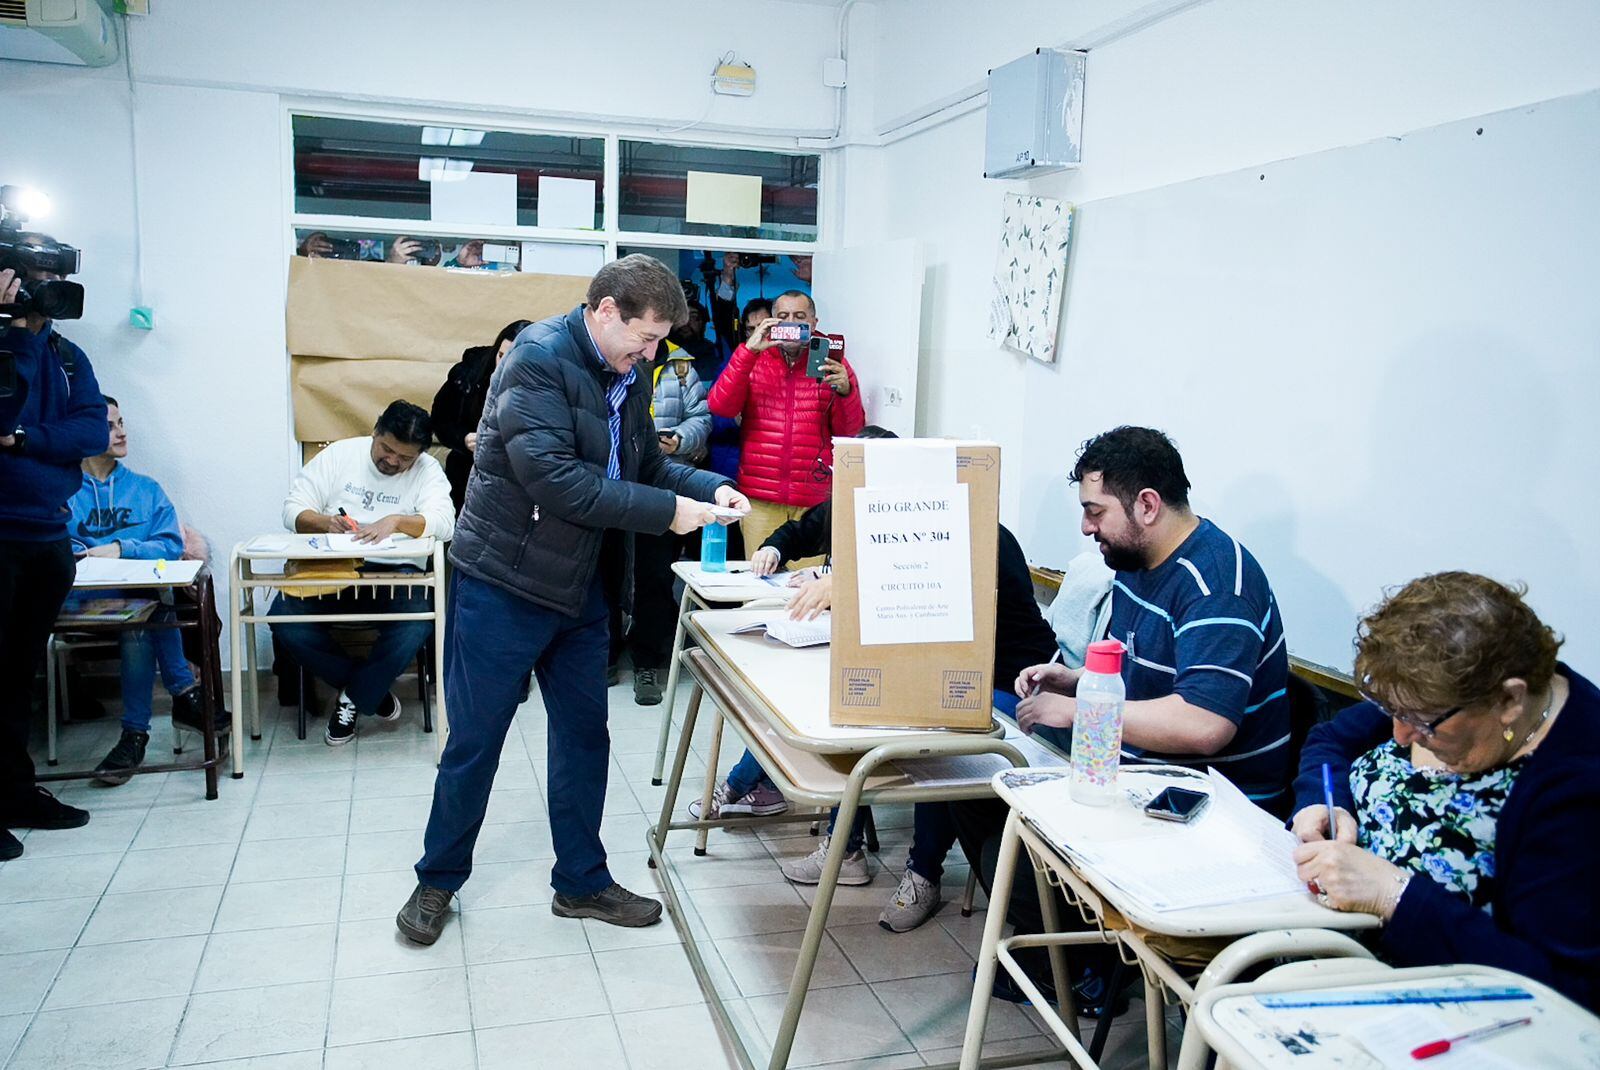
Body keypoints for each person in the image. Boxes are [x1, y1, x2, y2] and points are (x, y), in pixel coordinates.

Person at [399, 255, 748, 945]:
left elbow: (642, 466)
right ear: (605, 311)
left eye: (658, 343)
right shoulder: (537, 359)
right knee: (476, 741)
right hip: (505, 582)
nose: (651, 354)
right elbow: (558, 482)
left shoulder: (631, 369)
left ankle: (582, 882)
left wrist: (708, 490)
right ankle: (437, 879)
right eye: (645, 339)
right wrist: (668, 513)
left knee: (586, 738)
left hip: (580, 588)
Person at [952, 425, 1292, 1010]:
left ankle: (1091, 955)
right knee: (965, 783)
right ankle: (1081, 951)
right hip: (1139, 776)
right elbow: (1139, 679)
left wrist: (1081, 711)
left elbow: (1204, 722)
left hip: (1205, 805)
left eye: (1095, 511)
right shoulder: (1138, 563)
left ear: (1147, 505)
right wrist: (1078, 679)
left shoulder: (1217, 585)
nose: (1087, 528)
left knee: (1010, 839)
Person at [1291, 571, 1600, 1012]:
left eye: (1423, 723)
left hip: (1442, 1006)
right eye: (1389, 710)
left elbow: (1560, 988)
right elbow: (1332, 741)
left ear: (1509, 701)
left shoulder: (1578, 789)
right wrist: (1323, 803)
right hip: (1324, 947)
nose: (1399, 735)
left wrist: (1393, 894)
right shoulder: (1436, 698)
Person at [0, 263, 108, 861]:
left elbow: (91, 431)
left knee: (19, 676)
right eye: (30, 275)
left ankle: (15, 793)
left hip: (47, 533)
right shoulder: (12, 344)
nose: (43, 288)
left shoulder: (67, 355)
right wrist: (14, 333)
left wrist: (23, 441)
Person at [269, 400, 455, 745]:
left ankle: (354, 696)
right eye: (387, 449)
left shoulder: (427, 470)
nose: (393, 461)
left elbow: (445, 524)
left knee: (419, 619)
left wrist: (397, 520)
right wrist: (325, 523)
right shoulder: (340, 455)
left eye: (405, 458)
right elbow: (292, 511)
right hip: (332, 571)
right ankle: (367, 690)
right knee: (284, 618)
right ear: (375, 431)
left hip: (395, 575)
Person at [65, 397, 226, 784]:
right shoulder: (63, 490)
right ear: (83, 432)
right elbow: (57, 548)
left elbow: (170, 545)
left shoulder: (145, 489)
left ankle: (134, 735)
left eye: (122, 422)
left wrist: (122, 549)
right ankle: (185, 693)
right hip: (80, 604)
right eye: (109, 425)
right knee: (147, 605)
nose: (121, 431)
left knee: (141, 613)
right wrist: (94, 555)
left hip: (136, 606)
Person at [706, 289, 865, 554]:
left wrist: (846, 393)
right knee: (759, 587)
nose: (791, 322)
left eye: (800, 316)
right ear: (772, 321)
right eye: (783, 316)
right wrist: (748, 352)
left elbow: (851, 435)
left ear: (814, 323)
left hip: (813, 501)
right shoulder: (752, 358)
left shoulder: (832, 364)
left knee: (807, 590)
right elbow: (720, 407)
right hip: (760, 498)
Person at [627, 339, 713, 706]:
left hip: (668, 485)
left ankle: (648, 662)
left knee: (656, 576)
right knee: (606, 572)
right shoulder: (615, 360)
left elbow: (702, 417)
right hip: (615, 486)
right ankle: (606, 655)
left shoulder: (681, 367)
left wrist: (678, 440)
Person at [430, 319, 532, 513]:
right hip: (467, 472)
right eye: (501, 355)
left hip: (518, 480)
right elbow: (441, 418)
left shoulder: (547, 382)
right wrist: (463, 439)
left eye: (514, 358)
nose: (503, 364)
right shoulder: (470, 373)